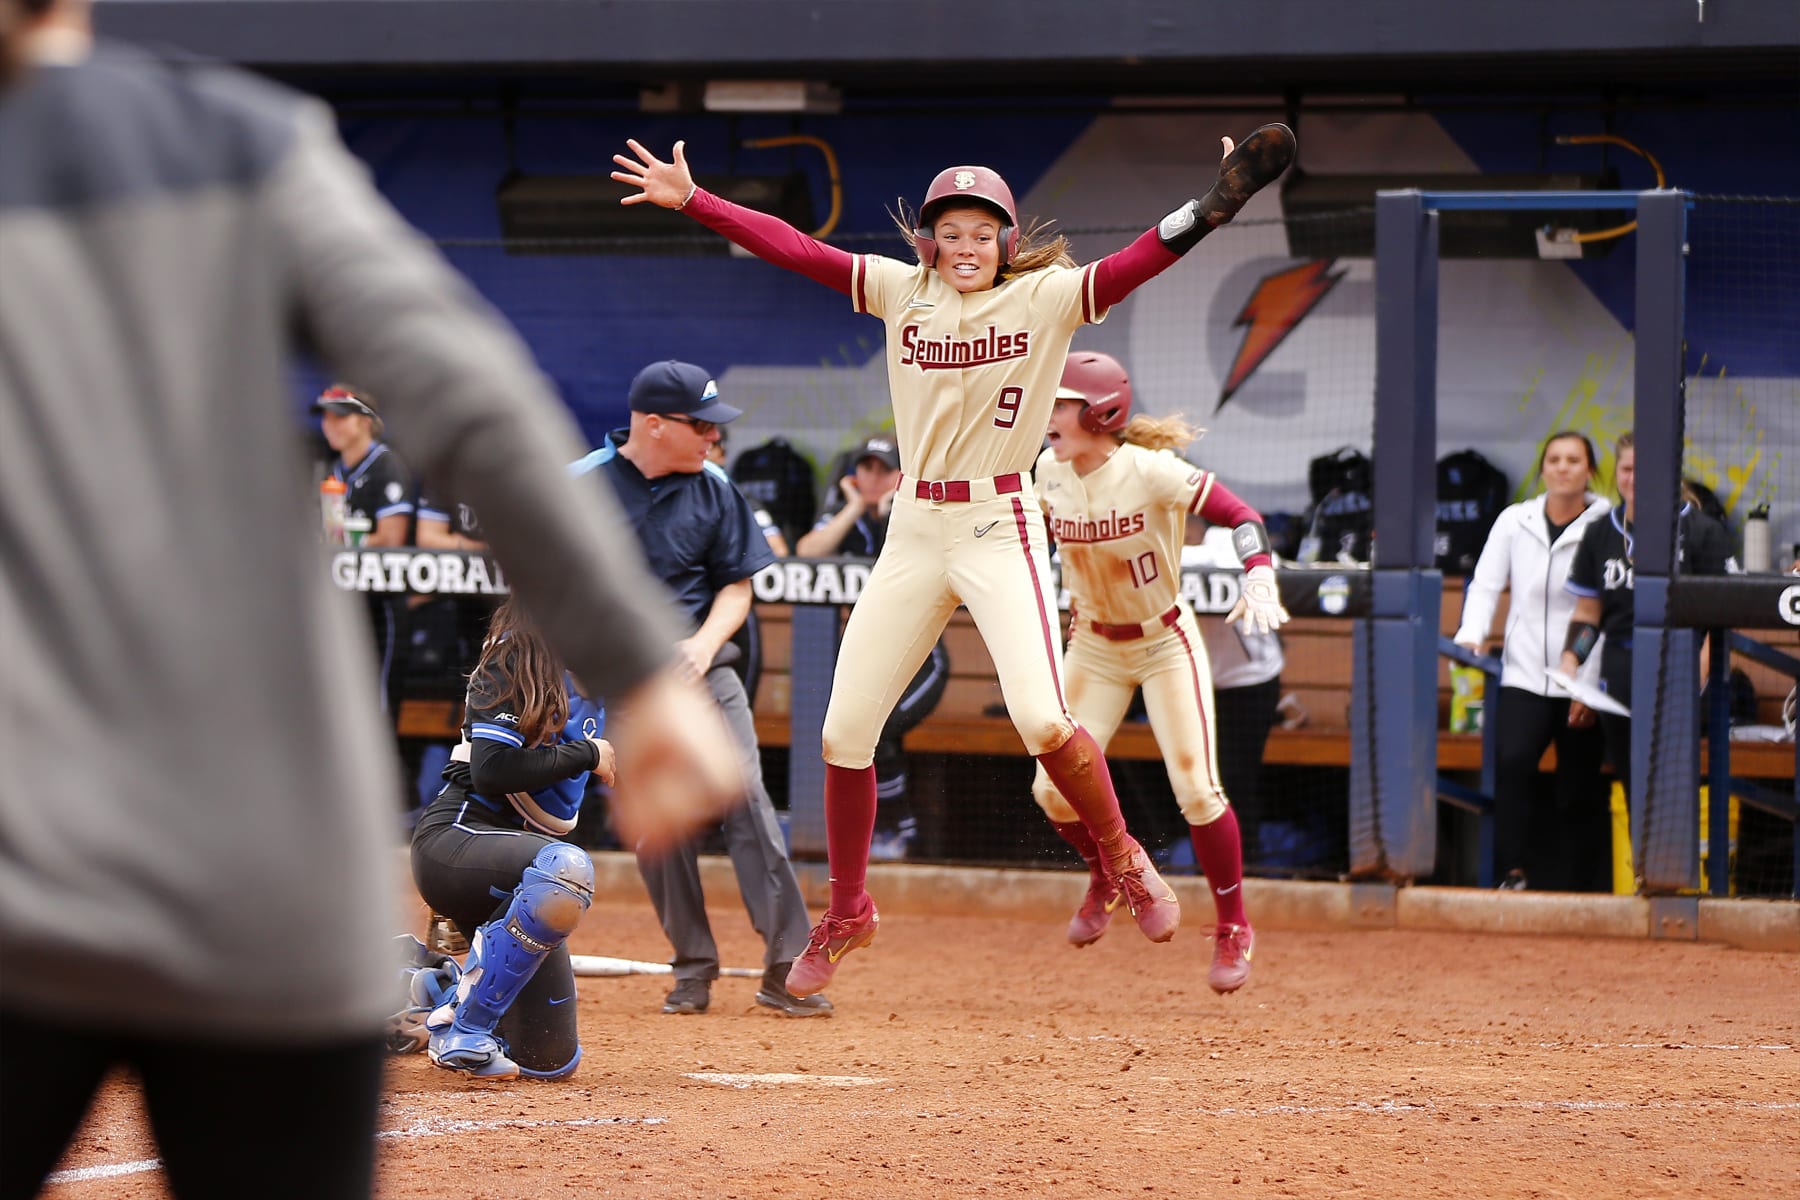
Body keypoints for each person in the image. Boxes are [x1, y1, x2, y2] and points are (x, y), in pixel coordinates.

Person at [0, 5, 742, 1196]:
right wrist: (644, 678)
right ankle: (429, 981)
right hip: (266, 861)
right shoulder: (237, 137)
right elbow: (475, 402)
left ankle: (439, 984)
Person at [612, 122, 1297, 994]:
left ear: (1006, 241)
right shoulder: (904, 290)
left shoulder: (1044, 297)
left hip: (997, 521)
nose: (965, 245)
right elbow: (793, 248)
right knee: (841, 732)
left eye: (982, 232)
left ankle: (1122, 855)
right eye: (951, 230)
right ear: (929, 239)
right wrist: (699, 202)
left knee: (1043, 721)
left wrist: (1212, 208)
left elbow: (1132, 262)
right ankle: (851, 910)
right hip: (915, 528)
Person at [571, 361, 829, 1019]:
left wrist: (704, 645)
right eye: (702, 426)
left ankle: (784, 964)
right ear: (654, 425)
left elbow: (737, 586)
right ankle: (692, 966)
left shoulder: (715, 487)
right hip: (623, 682)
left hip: (704, 672)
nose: (713, 440)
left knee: (745, 800)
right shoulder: (578, 488)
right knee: (659, 827)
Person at [1030, 351, 1288, 993]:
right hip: (1092, 644)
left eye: (1061, 404)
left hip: (1162, 642)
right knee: (1051, 792)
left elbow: (1243, 517)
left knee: (1199, 791)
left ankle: (1233, 926)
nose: (1049, 415)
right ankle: (1110, 873)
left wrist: (1257, 573)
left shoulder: (1152, 471)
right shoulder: (1045, 471)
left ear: (1099, 412)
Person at [410, 598, 614, 1079]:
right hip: (456, 837)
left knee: (548, 1061)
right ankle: (466, 1030)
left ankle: (428, 988)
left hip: (516, 872)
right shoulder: (516, 656)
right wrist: (587, 754)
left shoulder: (597, 684)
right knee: (567, 871)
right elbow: (490, 771)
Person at [1454, 431, 1612, 891]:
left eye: (1574, 460)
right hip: (1523, 672)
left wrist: (1590, 684)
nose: (1563, 467)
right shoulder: (1513, 519)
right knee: (1514, 765)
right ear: (1543, 469)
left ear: (1589, 471)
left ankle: (1585, 888)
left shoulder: (1609, 523)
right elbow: (1485, 583)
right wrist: (1472, 635)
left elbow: (1608, 608)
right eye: (1555, 459)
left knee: (1578, 789)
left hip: (1581, 676)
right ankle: (1511, 874)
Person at [797, 435, 953, 861]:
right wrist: (851, 508)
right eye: (866, 468)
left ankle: (901, 832)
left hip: (924, 664)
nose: (873, 478)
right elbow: (807, 552)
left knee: (877, 729)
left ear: (901, 475)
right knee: (863, 731)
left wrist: (891, 511)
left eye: (884, 470)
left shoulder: (913, 515)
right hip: (871, 660)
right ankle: (891, 832)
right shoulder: (844, 515)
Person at [1560, 431, 1736, 806]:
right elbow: (1589, 614)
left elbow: (1722, 621)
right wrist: (1571, 660)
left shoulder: (1703, 531)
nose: (1634, 478)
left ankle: (1673, 866)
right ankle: (1640, 865)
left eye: (1646, 469)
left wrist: (1699, 673)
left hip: (1681, 666)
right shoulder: (1600, 532)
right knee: (1632, 783)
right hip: (1620, 669)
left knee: (1674, 791)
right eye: (1626, 469)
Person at [1182, 517, 1285, 869]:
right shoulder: (1159, 543)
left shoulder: (1227, 541)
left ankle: (1245, 867)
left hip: (1250, 683)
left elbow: (1275, 567)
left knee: (1236, 779)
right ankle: (1204, 868)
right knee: (1197, 783)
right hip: (1196, 687)